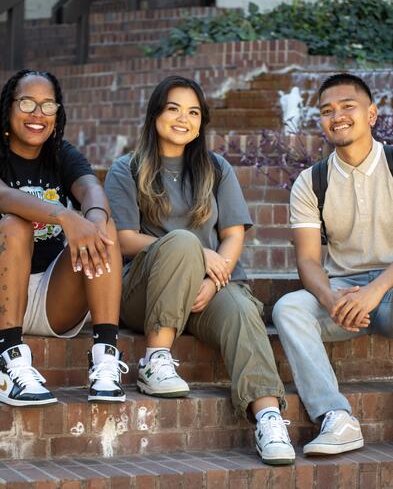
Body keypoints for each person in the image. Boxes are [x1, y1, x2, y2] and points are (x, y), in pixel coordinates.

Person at [104, 75, 295, 465]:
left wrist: (211, 275)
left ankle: (268, 417)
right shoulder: (127, 168)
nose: (182, 119)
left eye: (193, 112)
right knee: (185, 242)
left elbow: (233, 235)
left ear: (202, 121)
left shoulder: (216, 168)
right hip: (144, 293)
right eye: (173, 108)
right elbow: (123, 239)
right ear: (155, 114)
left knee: (242, 311)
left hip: (207, 293)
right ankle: (155, 361)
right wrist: (196, 254)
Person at [272, 72, 389, 455]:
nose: (336, 116)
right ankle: (336, 419)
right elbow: (307, 259)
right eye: (327, 110)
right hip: (345, 294)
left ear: (372, 114)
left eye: (347, 106)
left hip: (387, 288)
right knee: (289, 308)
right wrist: (330, 299)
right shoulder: (311, 181)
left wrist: (375, 291)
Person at [0, 69, 128, 406]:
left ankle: (105, 359)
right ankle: (9, 357)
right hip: (2, 290)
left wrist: (94, 219)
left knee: (105, 229)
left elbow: (90, 189)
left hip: (50, 298)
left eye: (48, 105)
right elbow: (3, 196)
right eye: (27, 103)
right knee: (15, 224)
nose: (37, 114)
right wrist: (63, 214)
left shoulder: (60, 153)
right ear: (8, 107)